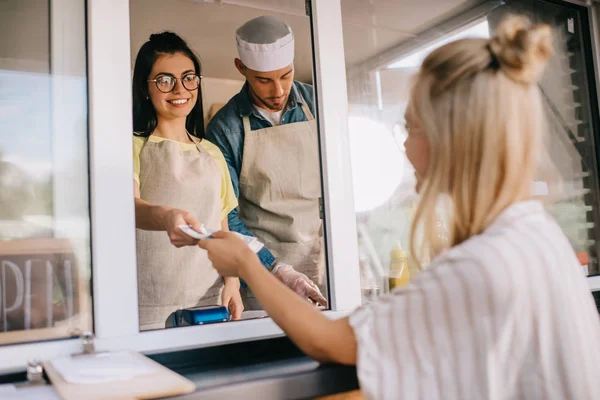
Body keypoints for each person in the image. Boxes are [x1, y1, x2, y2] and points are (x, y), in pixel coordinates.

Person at [199, 17, 600, 399]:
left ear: (454, 139)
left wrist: (244, 264)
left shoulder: (480, 267)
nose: (403, 147)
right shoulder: (536, 233)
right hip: (275, 262)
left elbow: (329, 342)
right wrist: (273, 267)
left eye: (411, 128)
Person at [206, 15, 327, 309]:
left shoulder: (320, 103)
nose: (278, 91)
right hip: (264, 274)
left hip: (325, 261)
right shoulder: (225, 128)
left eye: (285, 75)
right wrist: (278, 269)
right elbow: (227, 215)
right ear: (241, 68)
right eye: (264, 80)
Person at [132, 32, 243, 330]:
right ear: (145, 89)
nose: (180, 89)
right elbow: (129, 207)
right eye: (165, 80)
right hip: (149, 300)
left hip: (209, 298)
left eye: (188, 77)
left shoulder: (212, 153)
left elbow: (223, 228)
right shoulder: (131, 145)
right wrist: (166, 216)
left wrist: (232, 282)